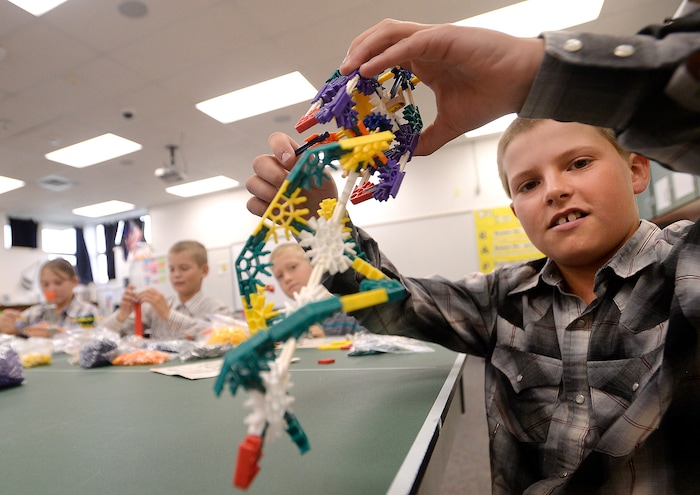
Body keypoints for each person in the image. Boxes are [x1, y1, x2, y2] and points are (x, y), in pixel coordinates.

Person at [245, 9, 700, 495]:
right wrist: (321, 222)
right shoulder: (505, 298)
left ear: (636, 171)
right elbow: (387, 303)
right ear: (515, 211)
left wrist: (536, 74)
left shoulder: (686, 268)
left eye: (579, 163)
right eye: (529, 184)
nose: (554, 190)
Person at [102, 240, 232, 340]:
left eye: (184, 268)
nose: (177, 275)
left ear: (204, 271)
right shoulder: (153, 308)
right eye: (172, 269)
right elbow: (102, 334)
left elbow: (212, 337)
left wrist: (168, 314)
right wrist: (122, 314)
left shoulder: (217, 310)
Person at [270, 242, 366, 337]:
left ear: (314, 263)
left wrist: (326, 338)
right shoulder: (287, 322)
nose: (287, 278)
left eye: (293, 267)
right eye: (279, 276)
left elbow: (374, 340)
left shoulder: (346, 309)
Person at [0, 258, 98, 338]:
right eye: (45, 284)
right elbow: (14, 330)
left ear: (74, 282)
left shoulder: (88, 312)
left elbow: (95, 343)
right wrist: (6, 326)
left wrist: (62, 335)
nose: (51, 289)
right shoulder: (34, 314)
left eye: (58, 283)